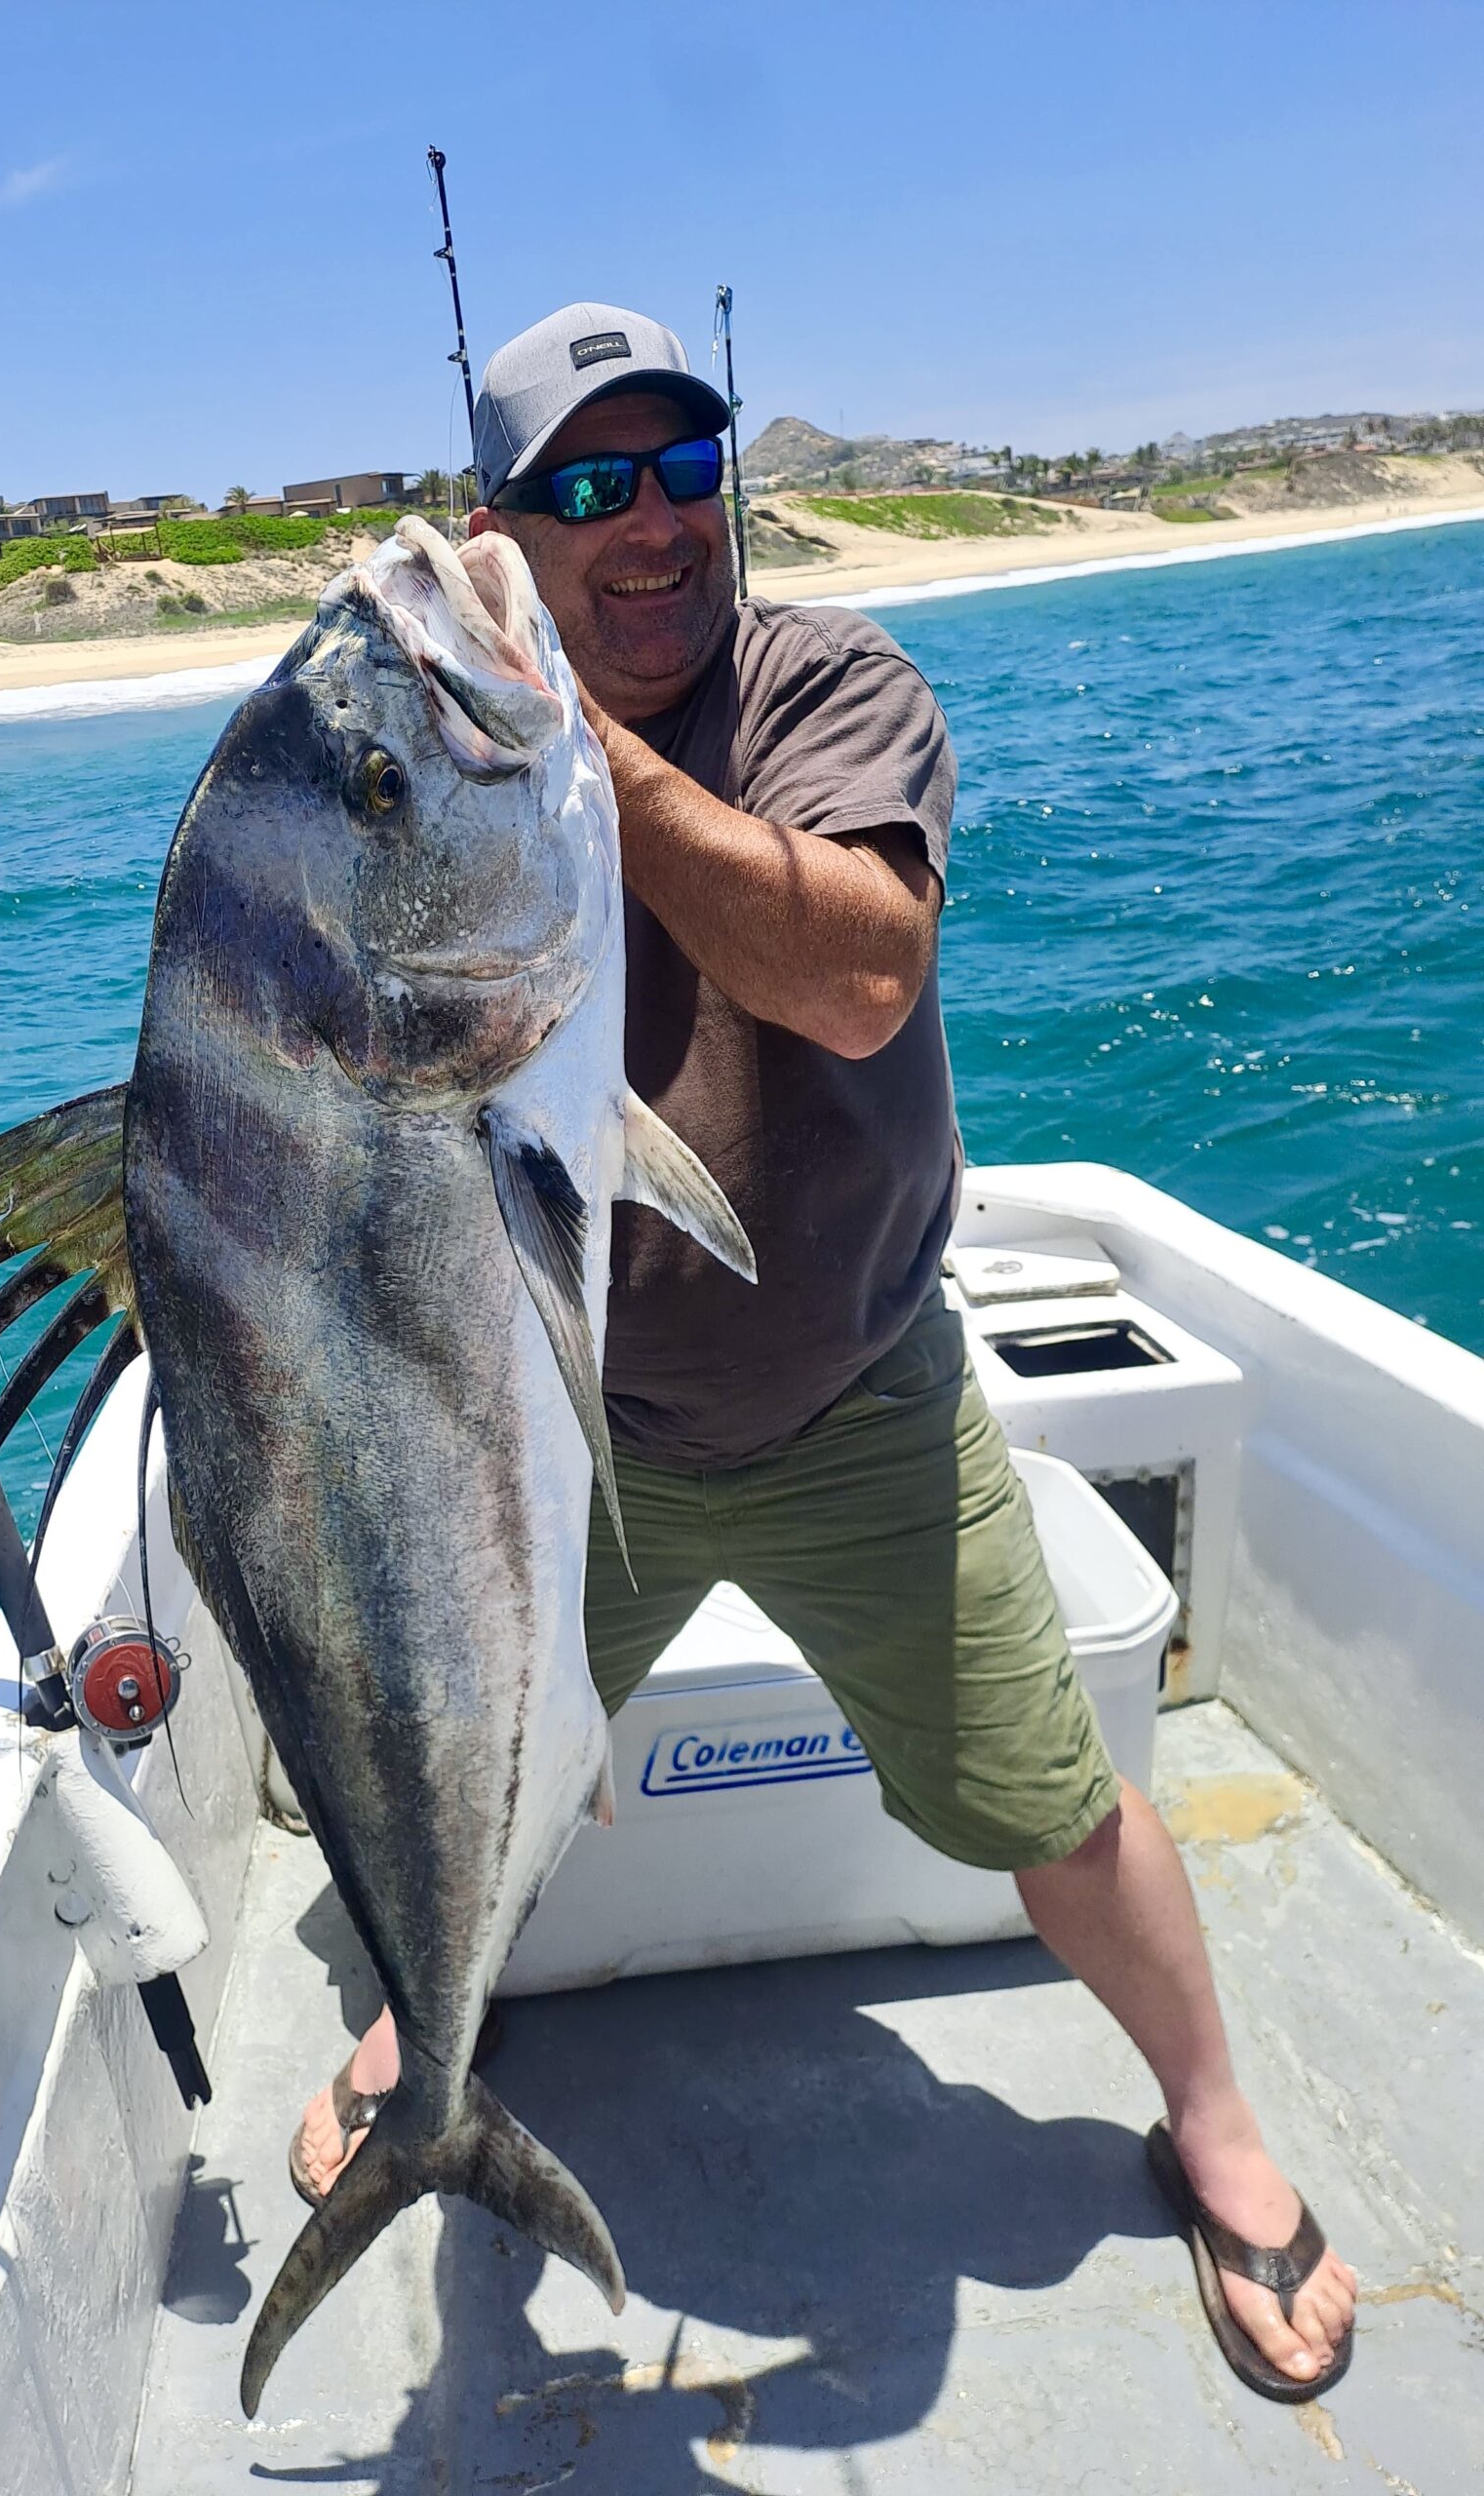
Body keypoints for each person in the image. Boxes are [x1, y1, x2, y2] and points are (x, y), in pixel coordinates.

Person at [293, 302, 1356, 2398]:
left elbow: (861, 977)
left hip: (855, 1391)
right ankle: (427, 2017)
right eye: (582, 490)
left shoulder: (831, 683)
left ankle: (1215, 2121)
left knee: (1055, 1800)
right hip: (561, 1416)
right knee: (459, 1774)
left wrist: (573, 760)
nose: (649, 524)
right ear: (508, 534)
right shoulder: (427, 759)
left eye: (680, 466)